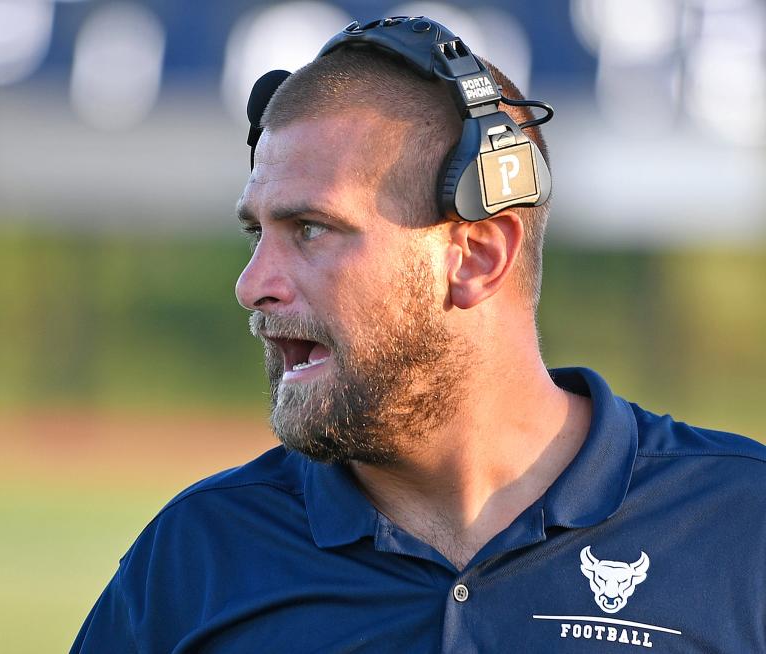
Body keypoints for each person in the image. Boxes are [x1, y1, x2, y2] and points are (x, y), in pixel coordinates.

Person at [71, 17, 766, 653]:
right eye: (259, 232)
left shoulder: (742, 527)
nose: (253, 284)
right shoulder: (198, 554)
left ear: (478, 256)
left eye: (311, 229)